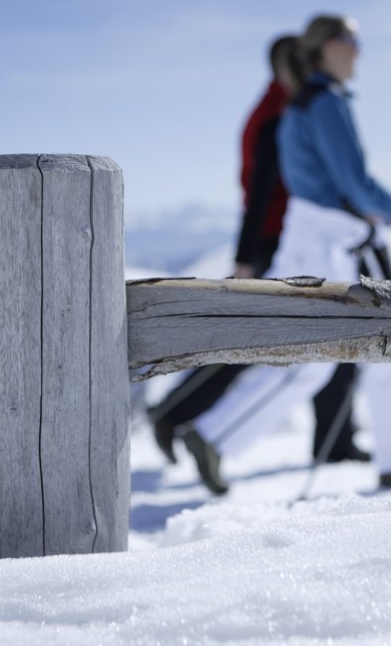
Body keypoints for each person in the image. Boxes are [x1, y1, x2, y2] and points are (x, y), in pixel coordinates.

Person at [185, 13, 391, 493]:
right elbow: (357, 187)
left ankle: (215, 436)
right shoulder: (325, 102)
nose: (358, 50)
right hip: (337, 244)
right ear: (326, 46)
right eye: (350, 40)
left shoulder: (300, 105)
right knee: (387, 348)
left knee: (310, 361)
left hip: (310, 238)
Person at [147, 35, 369, 492]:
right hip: (278, 244)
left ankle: (335, 440)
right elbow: (261, 196)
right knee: (258, 344)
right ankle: (175, 415)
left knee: (312, 341)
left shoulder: (277, 110)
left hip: (282, 240)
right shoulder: (279, 117)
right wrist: (248, 258)